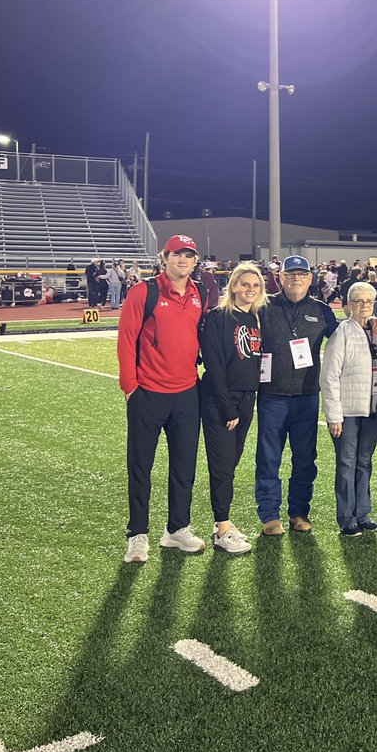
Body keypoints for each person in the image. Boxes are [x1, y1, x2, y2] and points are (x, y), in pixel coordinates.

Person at [117, 234, 207, 564]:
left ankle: (177, 529)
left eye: (189, 255)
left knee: (184, 467)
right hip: (148, 394)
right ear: (164, 257)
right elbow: (126, 339)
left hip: (186, 393)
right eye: (176, 255)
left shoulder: (199, 294)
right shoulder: (145, 291)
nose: (182, 260)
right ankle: (138, 535)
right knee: (140, 467)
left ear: (195, 261)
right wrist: (131, 387)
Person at [255, 255, 339, 534]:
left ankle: (299, 512)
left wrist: (372, 323)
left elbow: (344, 341)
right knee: (269, 457)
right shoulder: (264, 307)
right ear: (281, 278)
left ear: (310, 279)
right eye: (290, 274)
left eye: (301, 274)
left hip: (306, 398)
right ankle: (269, 514)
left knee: (305, 458)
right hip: (272, 396)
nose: (296, 279)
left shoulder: (322, 310)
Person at [199, 262, 266, 555]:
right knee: (223, 466)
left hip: (246, 399)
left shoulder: (253, 319)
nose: (250, 290)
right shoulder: (217, 317)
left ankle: (221, 523)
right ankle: (223, 527)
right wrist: (228, 409)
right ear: (234, 286)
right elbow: (213, 364)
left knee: (231, 464)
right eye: (245, 284)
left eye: (256, 286)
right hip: (220, 401)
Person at [321, 281, 377, 537]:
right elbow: (329, 376)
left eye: (368, 301)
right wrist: (333, 415)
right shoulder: (342, 333)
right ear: (348, 306)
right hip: (347, 411)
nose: (364, 306)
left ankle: (363, 513)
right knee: (346, 463)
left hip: (372, 409)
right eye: (358, 301)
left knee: (364, 462)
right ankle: (347, 517)